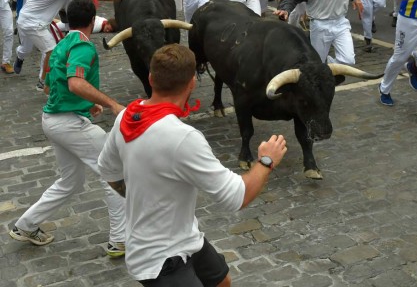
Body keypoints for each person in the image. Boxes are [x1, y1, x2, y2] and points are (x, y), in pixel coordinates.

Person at [98, 43, 287, 285]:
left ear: (150, 78)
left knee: (222, 282)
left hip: (185, 238)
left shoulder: (127, 116)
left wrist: (142, 197)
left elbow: (109, 172)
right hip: (160, 259)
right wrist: (266, 161)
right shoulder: (183, 138)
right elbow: (237, 197)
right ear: (192, 84)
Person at [9, 0, 127, 257]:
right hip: (68, 124)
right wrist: (110, 104)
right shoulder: (83, 48)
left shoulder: (61, 45)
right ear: (93, 20)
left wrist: (86, 104)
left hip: (53, 120)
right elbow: (75, 83)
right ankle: (120, 240)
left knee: (70, 182)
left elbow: (51, 85)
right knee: (115, 173)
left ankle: (25, 225)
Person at [14, 0, 133, 90]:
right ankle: (42, 82)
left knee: (32, 49)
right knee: (50, 50)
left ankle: (29, 65)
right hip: (33, 23)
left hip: (27, 18)